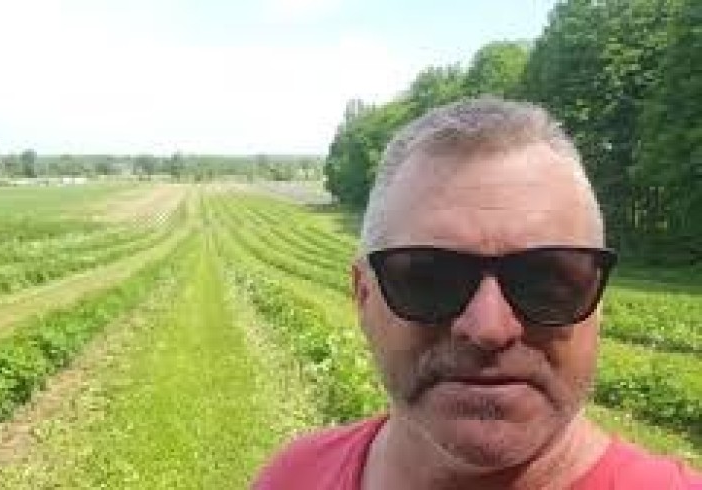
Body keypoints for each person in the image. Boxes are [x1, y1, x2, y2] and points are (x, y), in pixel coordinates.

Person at [253, 97, 702, 489]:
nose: (489, 328)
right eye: (429, 279)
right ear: (364, 297)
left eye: (546, 281)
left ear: (597, 302)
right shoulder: (293, 477)